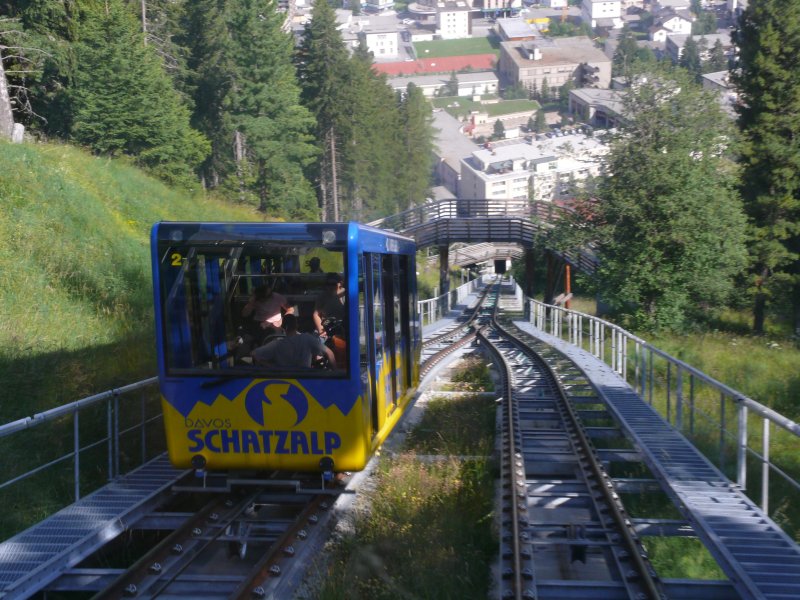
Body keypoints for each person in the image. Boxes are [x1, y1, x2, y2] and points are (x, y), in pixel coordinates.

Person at [251, 314, 336, 368]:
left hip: (285, 381)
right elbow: (330, 353)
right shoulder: (307, 339)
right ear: (297, 325)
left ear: (283, 327)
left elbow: (254, 354)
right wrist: (336, 376)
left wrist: (272, 367)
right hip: (306, 380)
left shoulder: (276, 344)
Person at [313, 273, 346, 337]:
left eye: (333, 284)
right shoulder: (323, 296)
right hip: (327, 326)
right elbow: (316, 314)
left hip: (342, 327)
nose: (330, 287)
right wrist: (320, 330)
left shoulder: (346, 294)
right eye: (328, 284)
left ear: (340, 284)